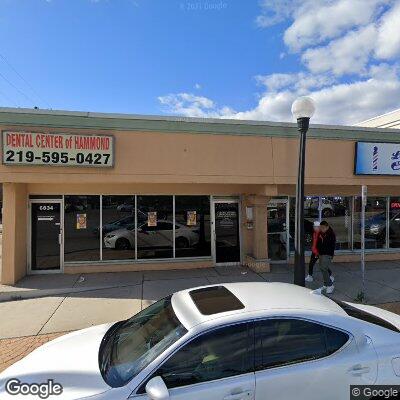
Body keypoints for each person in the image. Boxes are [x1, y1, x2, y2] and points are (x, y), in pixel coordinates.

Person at [315, 220, 336, 294]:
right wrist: (318, 252)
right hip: (321, 253)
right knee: (323, 268)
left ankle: (329, 285)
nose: (322, 229)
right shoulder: (321, 233)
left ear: (327, 227)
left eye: (323, 228)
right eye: (321, 228)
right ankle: (327, 281)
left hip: (327, 254)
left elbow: (330, 245)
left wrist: (328, 254)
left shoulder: (331, 234)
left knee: (323, 268)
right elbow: (318, 243)